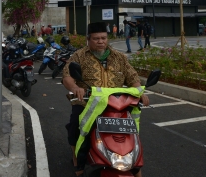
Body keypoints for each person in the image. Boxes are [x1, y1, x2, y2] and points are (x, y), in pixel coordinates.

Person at [62, 21, 149, 177]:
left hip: (117, 105)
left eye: (103, 38)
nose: (101, 41)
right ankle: (78, 161)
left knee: (130, 133)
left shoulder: (119, 57)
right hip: (88, 102)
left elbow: (132, 77)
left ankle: (134, 164)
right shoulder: (79, 56)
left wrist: (140, 91)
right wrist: (75, 88)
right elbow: (67, 76)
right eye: (96, 39)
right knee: (76, 125)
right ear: (88, 39)